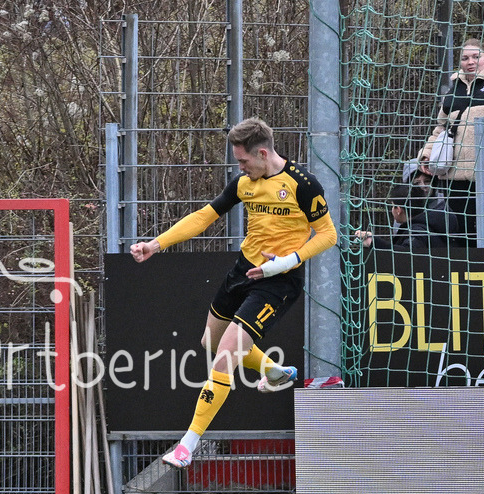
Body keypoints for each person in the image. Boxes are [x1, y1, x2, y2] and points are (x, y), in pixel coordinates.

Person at [130, 117, 337, 468]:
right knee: (210, 342)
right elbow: (203, 216)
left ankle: (187, 445)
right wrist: (156, 244)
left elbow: (328, 234)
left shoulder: (303, 184)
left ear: (262, 153)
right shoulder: (245, 183)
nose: (240, 167)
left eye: (243, 160)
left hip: (278, 282)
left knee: (225, 355)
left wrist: (287, 262)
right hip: (243, 272)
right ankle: (274, 370)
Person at [418, 39, 484, 242]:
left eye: (476, 56)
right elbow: (441, 128)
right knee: (462, 236)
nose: (470, 62)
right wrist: (426, 155)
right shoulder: (453, 90)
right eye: (465, 58)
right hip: (456, 179)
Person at [355, 182, 460, 250]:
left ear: (398, 210)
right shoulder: (427, 225)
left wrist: (373, 242)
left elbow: (405, 255)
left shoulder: (418, 231)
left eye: (393, 206)